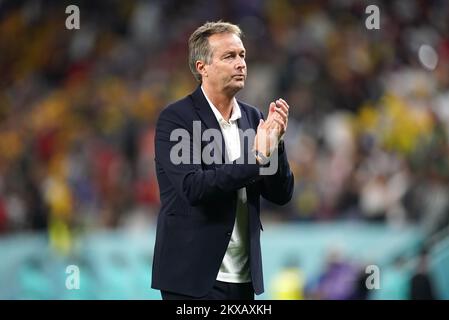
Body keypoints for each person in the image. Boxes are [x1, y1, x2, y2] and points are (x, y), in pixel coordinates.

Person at [151, 21, 294, 300]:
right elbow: (194, 187)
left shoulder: (253, 118)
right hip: (192, 279)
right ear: (201, 67)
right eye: (229, 56)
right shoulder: (177, 119)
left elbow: (281, 194)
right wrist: (257, 156)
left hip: (243, 279)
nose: (240, 63)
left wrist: (275, 145)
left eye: (242, 55)